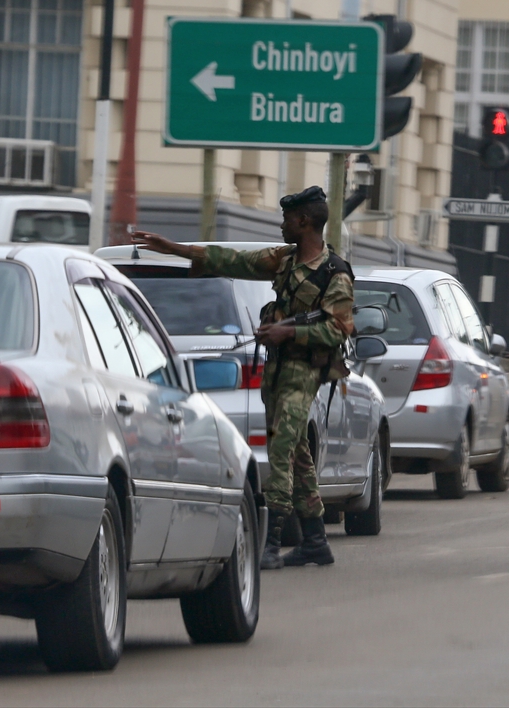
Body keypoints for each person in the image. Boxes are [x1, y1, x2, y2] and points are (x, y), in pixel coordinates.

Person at [131, 186, 354, 570]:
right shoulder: (284, 260)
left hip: (304, 370)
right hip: (278, 367)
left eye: (288, 219)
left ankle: (271, 541)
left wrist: (289, 332)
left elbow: (339, 328)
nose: (282, 225)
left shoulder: (335, 273)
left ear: (304, 222)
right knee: (298, 451)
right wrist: (175, 248)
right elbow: (232, 259)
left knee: (282, 449)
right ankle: (316, 541)